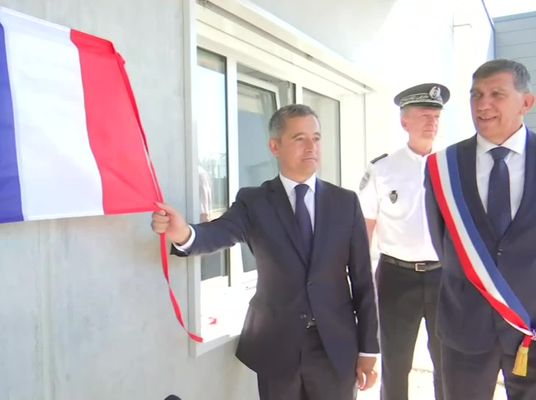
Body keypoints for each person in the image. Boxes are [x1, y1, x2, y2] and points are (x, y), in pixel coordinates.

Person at [151, 104, 379, 400]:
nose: (311, 147)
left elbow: (362, 281)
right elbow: (219, 232)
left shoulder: (344, 203)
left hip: (334, 347)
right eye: (299, 138)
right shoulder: (255, 202)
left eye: (317, 138)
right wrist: (183, 232)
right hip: (277, 346)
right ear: (275, 146)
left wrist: (368, 348)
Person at [425, 59, 536, 399]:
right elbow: (441, 240)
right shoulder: (443, 166)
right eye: (476, 95)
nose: (483, 105)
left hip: (530, 327)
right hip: (465, 326)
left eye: (496, 94)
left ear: (527, 103)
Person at [359, 83, 449, 400]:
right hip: (397, 278)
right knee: (396, 364)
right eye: (424, 115)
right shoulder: (382, 169)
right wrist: (359, 283)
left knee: (446, 363)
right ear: (404, 122)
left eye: (436, 116)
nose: (432, 122)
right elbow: (364, 230)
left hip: (443, 277)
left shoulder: (452, 166)